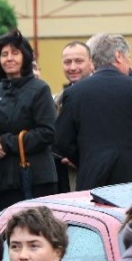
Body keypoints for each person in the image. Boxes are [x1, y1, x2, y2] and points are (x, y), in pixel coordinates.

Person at [55, 33, 132, 190]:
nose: (130, 63)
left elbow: (62, 141)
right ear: (118, 56)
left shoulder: (75, 93)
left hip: (93, 179)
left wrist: (88, 160)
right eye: (128, 57)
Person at [0, 29, 58, 209]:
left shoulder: (40, 89)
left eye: (15, 53)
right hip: (2, 179)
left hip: (35, 177)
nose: (9, 58)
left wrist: (6, 142)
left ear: (25, 57)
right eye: (4, 54)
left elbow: (47, 132)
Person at [52, 41, 94, 193]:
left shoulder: (100, 94)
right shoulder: (58, 99)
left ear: (91, 63)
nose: (72, 67)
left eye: (79, 61)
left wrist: (78, 159)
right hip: (66, 178)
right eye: (67, 62)